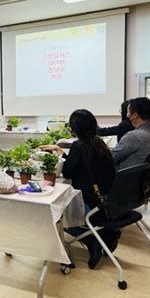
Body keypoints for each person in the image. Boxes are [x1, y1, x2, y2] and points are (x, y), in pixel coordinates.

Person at [41, 109, 118, 269]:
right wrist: (61, 151)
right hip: (105, 199)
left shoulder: (79, 146)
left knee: (55, 212)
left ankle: (90, 240)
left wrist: (60, 154)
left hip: (89, 202)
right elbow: (82, 164)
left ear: (74, 128)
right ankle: (103, 234)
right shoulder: (99, 143)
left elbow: (67, 171)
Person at [112, 97, 150, 170]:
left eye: (128, 112)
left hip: (121, 176)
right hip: (140, 177)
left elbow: (112, 157)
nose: (127, 115)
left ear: (135, 115)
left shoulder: (133, 136)